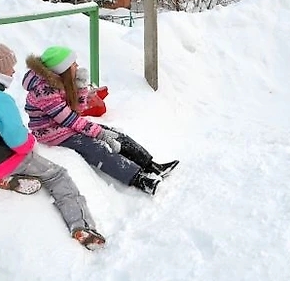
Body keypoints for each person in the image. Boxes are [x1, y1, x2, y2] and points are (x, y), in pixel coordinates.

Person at [0, 32, 105, 250]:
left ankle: (3, 180)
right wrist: (29, 142)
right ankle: (82, 226)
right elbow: (18, 141)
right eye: (10, 67)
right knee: (58, 175)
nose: (13, 71)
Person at [22, 46, 178, 196]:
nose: (77, 66)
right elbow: (70, 120)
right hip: (52, 133)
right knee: (98, 148)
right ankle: (139, 179)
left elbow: (78, 110)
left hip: (65, 125)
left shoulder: (58, 81)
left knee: (117, 135)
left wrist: (81, 87)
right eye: (73, 64)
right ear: (63, 68)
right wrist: (100, 134)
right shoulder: (44, 91)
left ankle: (151, 166)